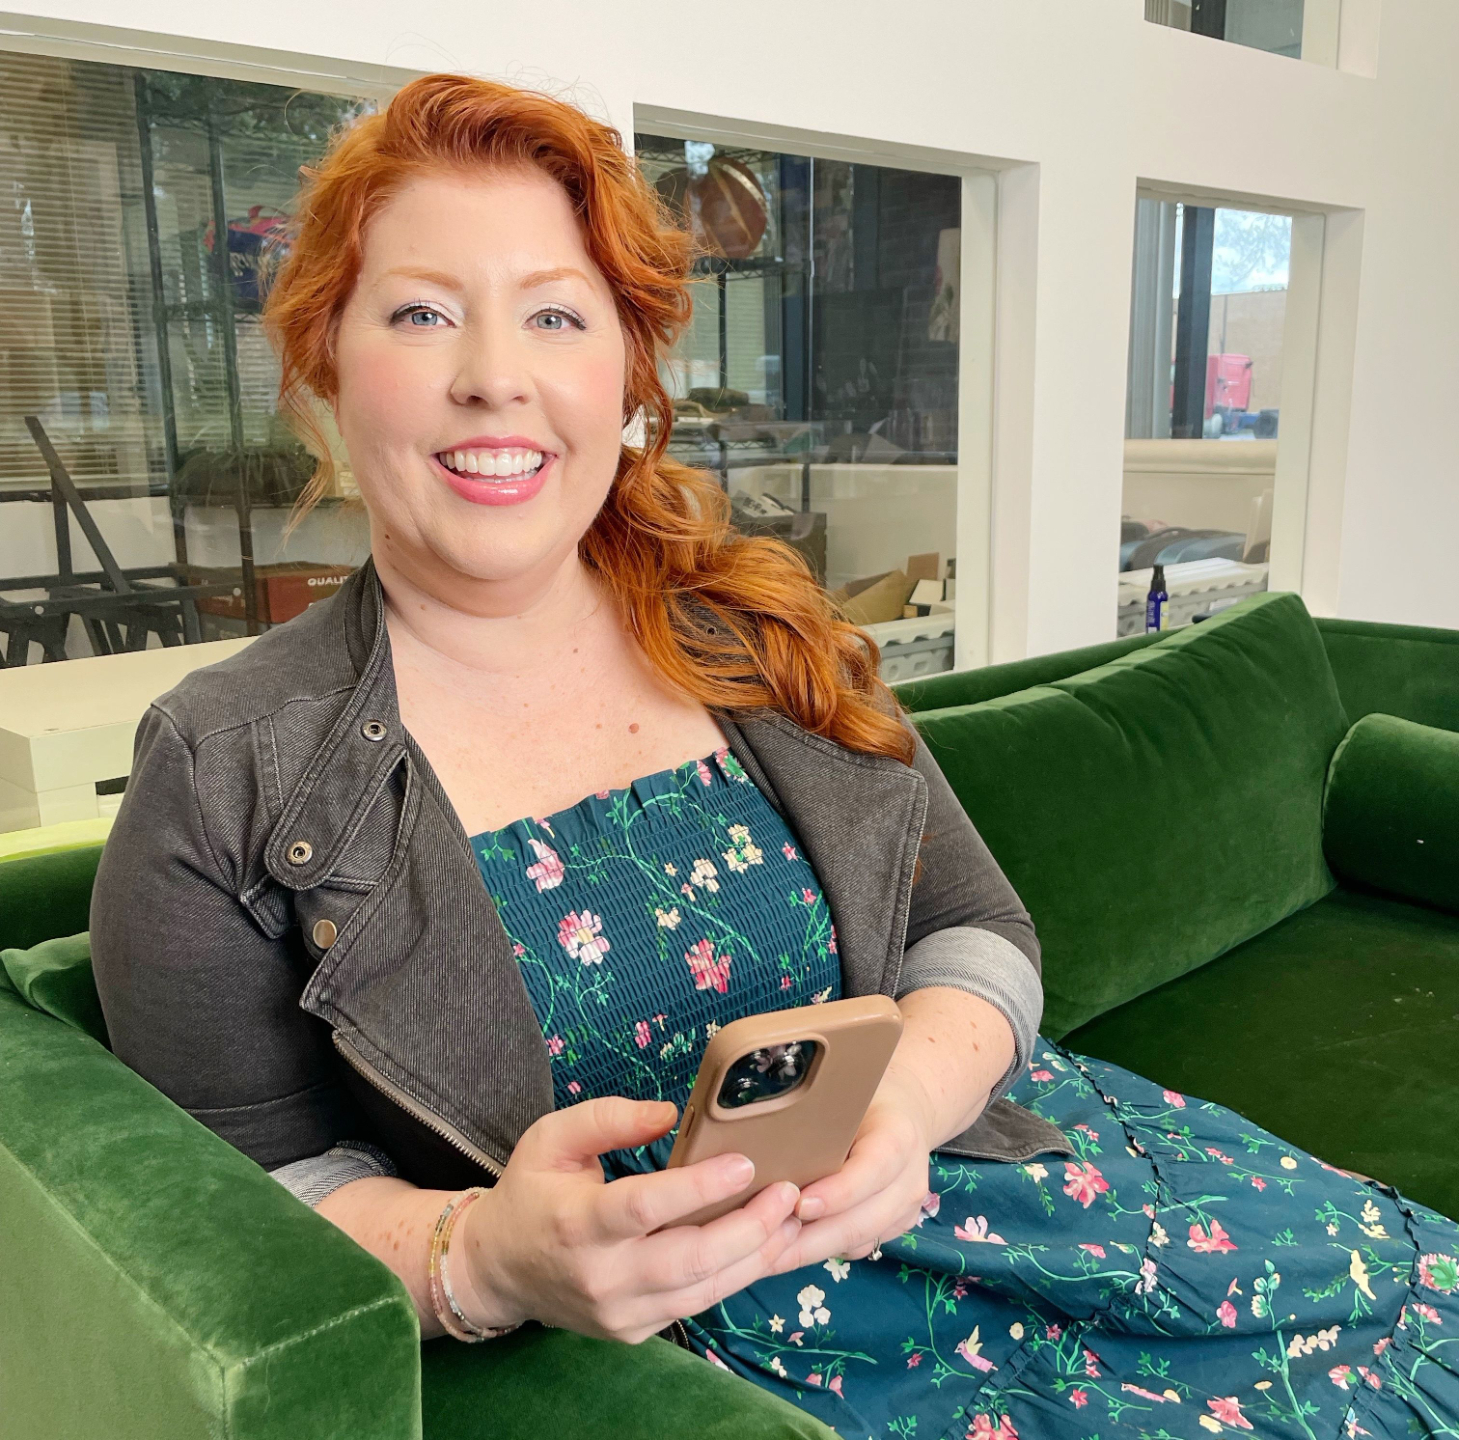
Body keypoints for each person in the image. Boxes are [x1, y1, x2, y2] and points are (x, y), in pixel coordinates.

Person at [90, 74, 1458, 1440]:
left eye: (556, 314)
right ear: (328, 360)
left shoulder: (759, 632)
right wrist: (488, 1260)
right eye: (422, 312)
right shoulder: (225, 773)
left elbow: (975, 929)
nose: (493, 373)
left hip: (1032, 1194)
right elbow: (235, 1200)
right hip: (754, 1370)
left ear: (625, 371)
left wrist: (909, 1105)